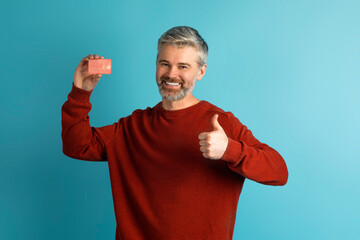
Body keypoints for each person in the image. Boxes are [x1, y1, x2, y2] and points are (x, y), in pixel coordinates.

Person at [61, 26, 288, 240]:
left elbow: (279, 171)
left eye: (183, 66)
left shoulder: (221, 123)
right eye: (164, 63)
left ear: (201, 72)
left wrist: (230, 150)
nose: (171, 74)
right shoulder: (132, 127)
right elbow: (77, 145)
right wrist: (81, 90)